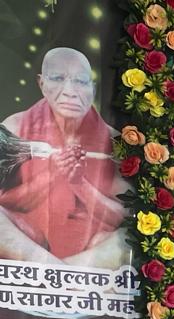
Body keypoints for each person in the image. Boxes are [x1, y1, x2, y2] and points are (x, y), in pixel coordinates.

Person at [0, 47, 127, 266]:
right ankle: (57, 270)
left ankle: (62, 272)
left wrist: (79, 184)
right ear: (42, 84)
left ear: (93, 89)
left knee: (129, 235)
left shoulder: (114, 142)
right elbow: (7, 202)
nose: (70, 91)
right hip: (31, 241)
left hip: (91, 251)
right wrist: (52, 174)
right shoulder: (14, 128)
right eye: (58, 79)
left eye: (81, 81)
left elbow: (123, 215)